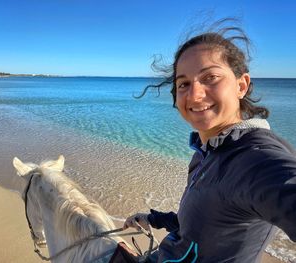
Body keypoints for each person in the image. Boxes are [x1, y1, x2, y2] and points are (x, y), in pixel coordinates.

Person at [123, 20, 296, 263]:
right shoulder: (206, 152)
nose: (194, 94)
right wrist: (154, 219)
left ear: (241, 85)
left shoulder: (255, 158)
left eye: (210, 77)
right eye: (184, 83)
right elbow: (201, 224)